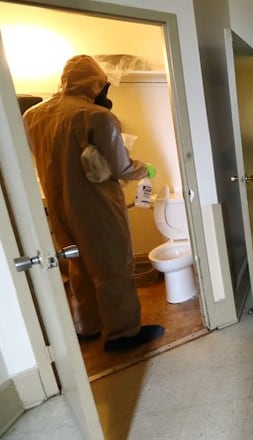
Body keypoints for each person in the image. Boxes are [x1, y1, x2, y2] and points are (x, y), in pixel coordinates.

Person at [23, 55, 164, 352]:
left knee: (77, 267)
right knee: (113, 267)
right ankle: (123, 333)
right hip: (95, 205)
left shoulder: (33, 116)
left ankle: (88, 326)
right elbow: (122, 167)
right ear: (96, 83)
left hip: (56, 203)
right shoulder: (97, 116)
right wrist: (146, 169)